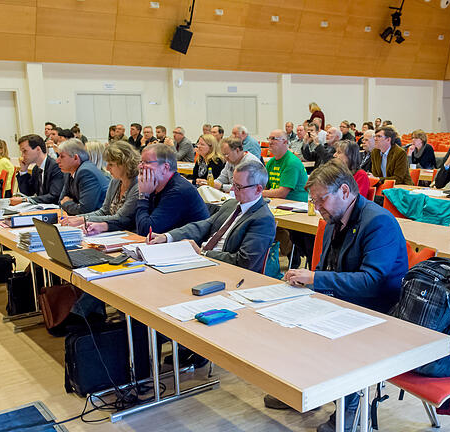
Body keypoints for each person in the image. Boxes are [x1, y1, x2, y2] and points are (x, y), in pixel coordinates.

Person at [272, 159, 408, 432]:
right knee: (286, 315)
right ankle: (306, 390)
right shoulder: (335, 217)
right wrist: (307, 282)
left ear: (345, 191)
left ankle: (349, 406)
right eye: (314, 201)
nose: (317, 207)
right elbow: (326, 266)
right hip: (344, 299)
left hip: (378, 308)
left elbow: (372, 282)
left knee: (333, 335)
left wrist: (316, 279)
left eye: (320, 200)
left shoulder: (379, 222)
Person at [149, 160, 275, 272]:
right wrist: (167, 236)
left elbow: (244, 262)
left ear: (258, 189)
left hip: (224, 271)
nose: (232, 189)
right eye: (233, 184)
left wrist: (202, 253)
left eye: (238, 186)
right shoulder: (231, 204)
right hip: (203, 261)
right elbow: (203, 226)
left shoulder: (263, 219)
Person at [60, 141, 140, 234]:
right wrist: (78, 218)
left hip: (129, 235)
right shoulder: (115, 181)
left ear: (124, 164)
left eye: (111, 164)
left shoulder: (137, 186)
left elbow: (119, 217)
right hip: (113, 232)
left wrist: (83, 219)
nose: (107, 168)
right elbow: (104, 211)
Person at [136, 143, 209, 235]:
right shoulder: (153, 186)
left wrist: (143, 196)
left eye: (146, 162)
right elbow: (135, 222)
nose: (140, 166)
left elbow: (146, 231)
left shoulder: (179, 191)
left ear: (165, 167)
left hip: (187, 246)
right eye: (141, 162)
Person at [56, 139, 109, 215]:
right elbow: (61, 201)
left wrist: (67, 203)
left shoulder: (86, 172)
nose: (57, 161)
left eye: (62, 157)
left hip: (99, 221)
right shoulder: (70, 171)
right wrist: (70, 204)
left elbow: (84, 210)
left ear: (75, 158)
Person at [12, 134, 65, 205]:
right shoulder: (36, 169)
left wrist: (26, 200)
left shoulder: (55, 167)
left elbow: (54, 196)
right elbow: (27, 193)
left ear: (38, 149)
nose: (22, 156)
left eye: (25, 151)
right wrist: (24, 171)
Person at [262, 130, 308, 201]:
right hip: (278, 203)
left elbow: (282, 193)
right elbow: (264, 187)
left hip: (295, 206)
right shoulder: (271, 162)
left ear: (285, 142)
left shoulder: (292, 162)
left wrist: (257, 193)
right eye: (269, 138)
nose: (270, 142)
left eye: (274, 139)